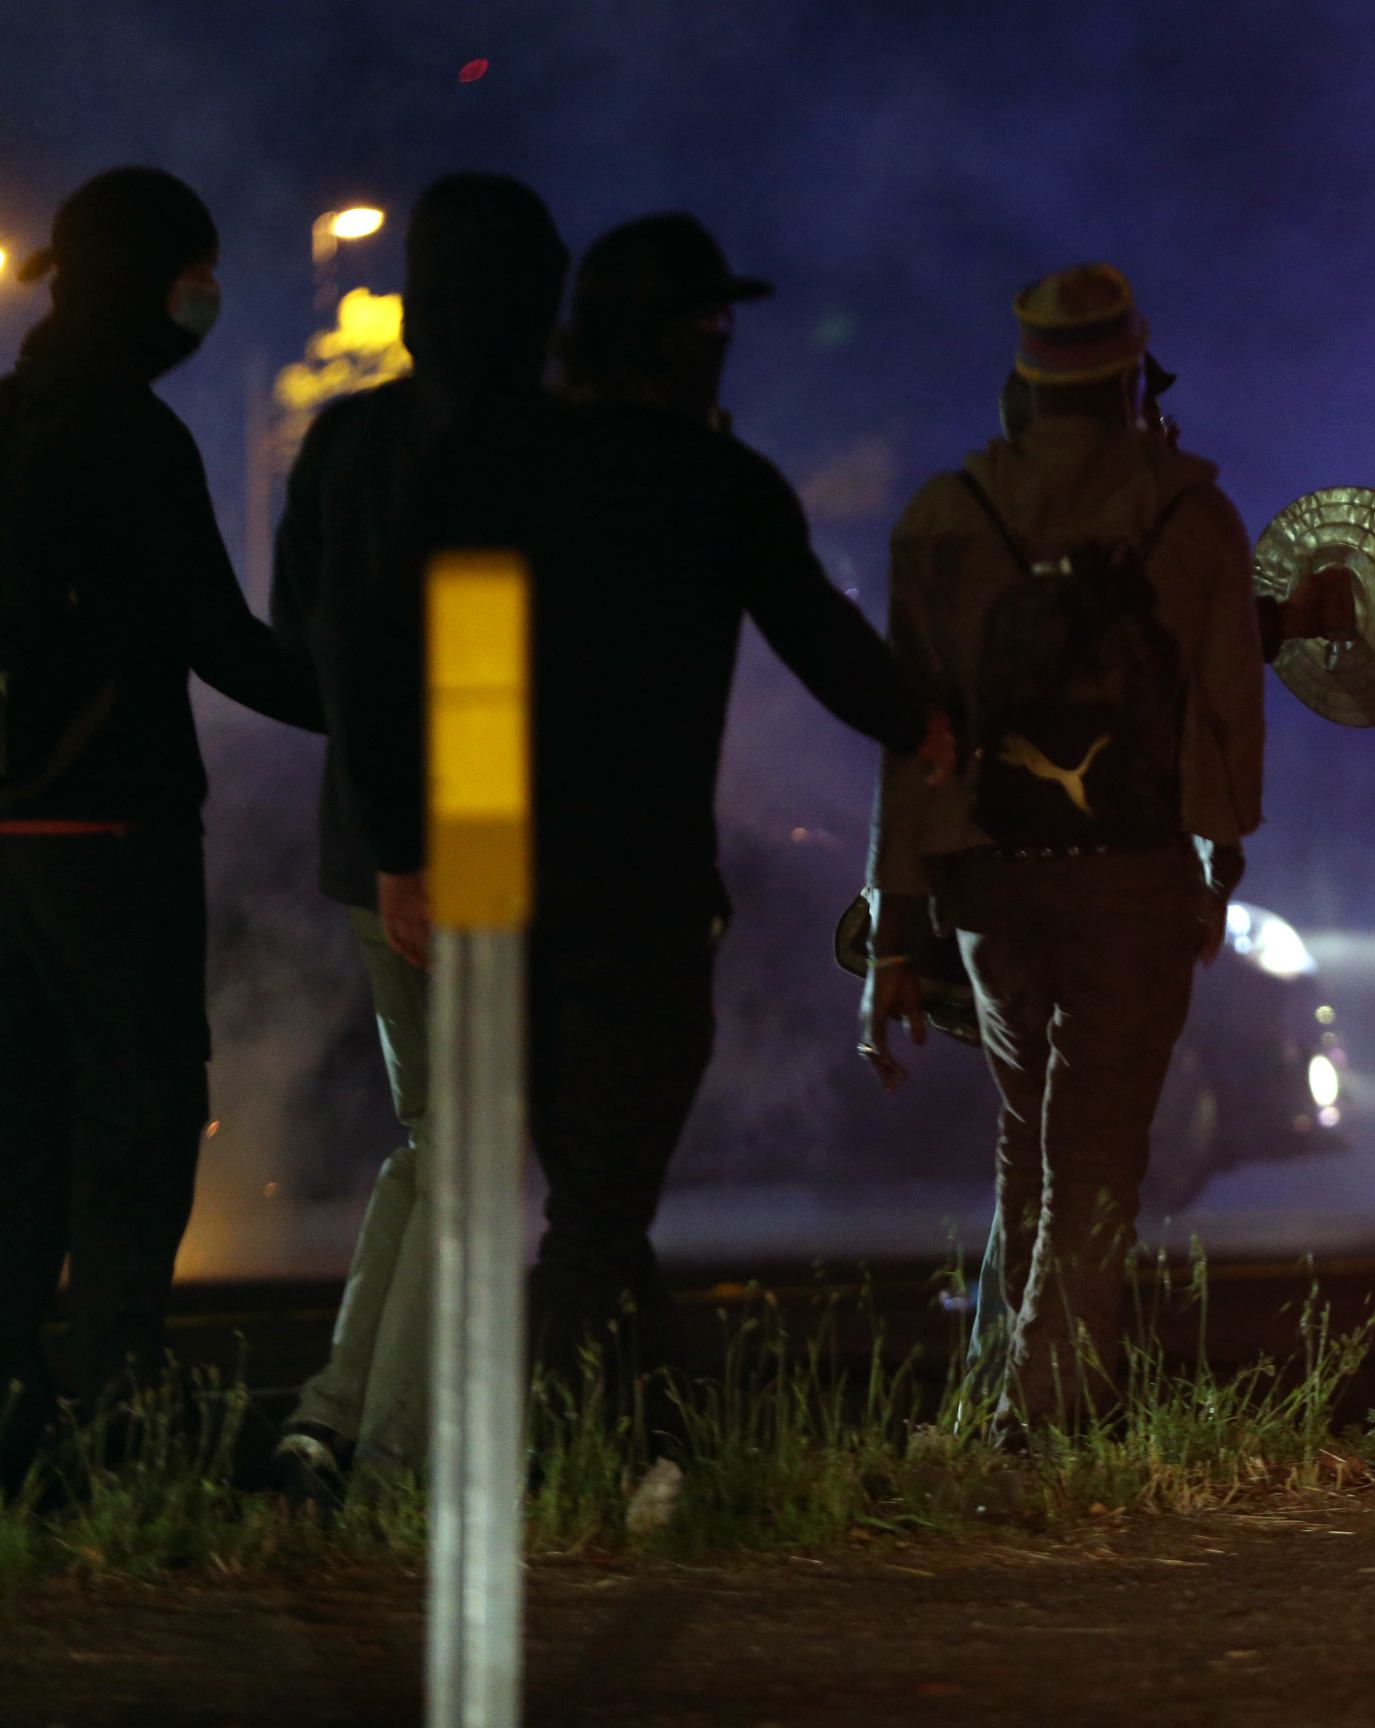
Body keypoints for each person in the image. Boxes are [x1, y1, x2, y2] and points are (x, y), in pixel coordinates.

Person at [343, 213, 938, 1416]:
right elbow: (828, 645)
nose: (726, 341)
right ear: (682, 339)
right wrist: (927, 724)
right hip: (635, 894)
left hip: (487, 879)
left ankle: (664, 1437)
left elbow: (380, 662)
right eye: (715, 321)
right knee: (601, 1210)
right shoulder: (718, 483)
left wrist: (405, 854)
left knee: (591, 1198)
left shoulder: (485, 457)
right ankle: (550, 1459)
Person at [867, 263, 1266, 1430]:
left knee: (1031, 1139)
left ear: (1024, 380)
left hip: (993, 880)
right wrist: (1219, 867)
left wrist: (895, 924)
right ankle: (1041, 1423)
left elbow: (908, 742)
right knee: (1097, 1155)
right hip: (1134, 874)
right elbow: (1227, 714)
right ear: (1134, 372)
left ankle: (1004, 1390)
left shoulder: (947, 516)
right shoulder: (1195, 516)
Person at [0, 168, 323, 1482]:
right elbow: (220, 643)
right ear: (151, 282)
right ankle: (122, 1406)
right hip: (112, 838)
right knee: (136, 1121)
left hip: (5, 843)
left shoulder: (8, 415)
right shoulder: (132, 433)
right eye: (195, 270)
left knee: (18, 1128)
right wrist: (385, 713)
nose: (208, 297)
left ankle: (18, 1413)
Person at [265, 174, 569, 1491]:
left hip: (362, 832)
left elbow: (297, 641)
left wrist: (380, 833)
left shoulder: (342, 442)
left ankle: (328, 1421)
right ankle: (390, 1466)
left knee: (437, 1137)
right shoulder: (535, 441)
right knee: (477, 1146)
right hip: (477, 823)